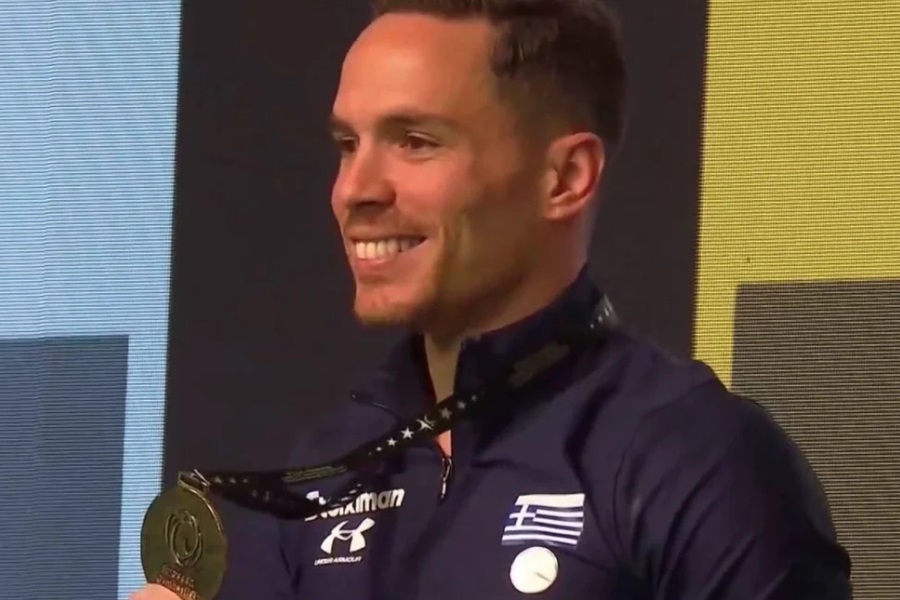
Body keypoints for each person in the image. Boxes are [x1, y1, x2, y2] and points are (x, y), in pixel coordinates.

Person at [133, 0, 852, 598]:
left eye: (416, 142)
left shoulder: (697, 461)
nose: (355, 190)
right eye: (349, 145)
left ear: (565, 177)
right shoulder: (326, 470)